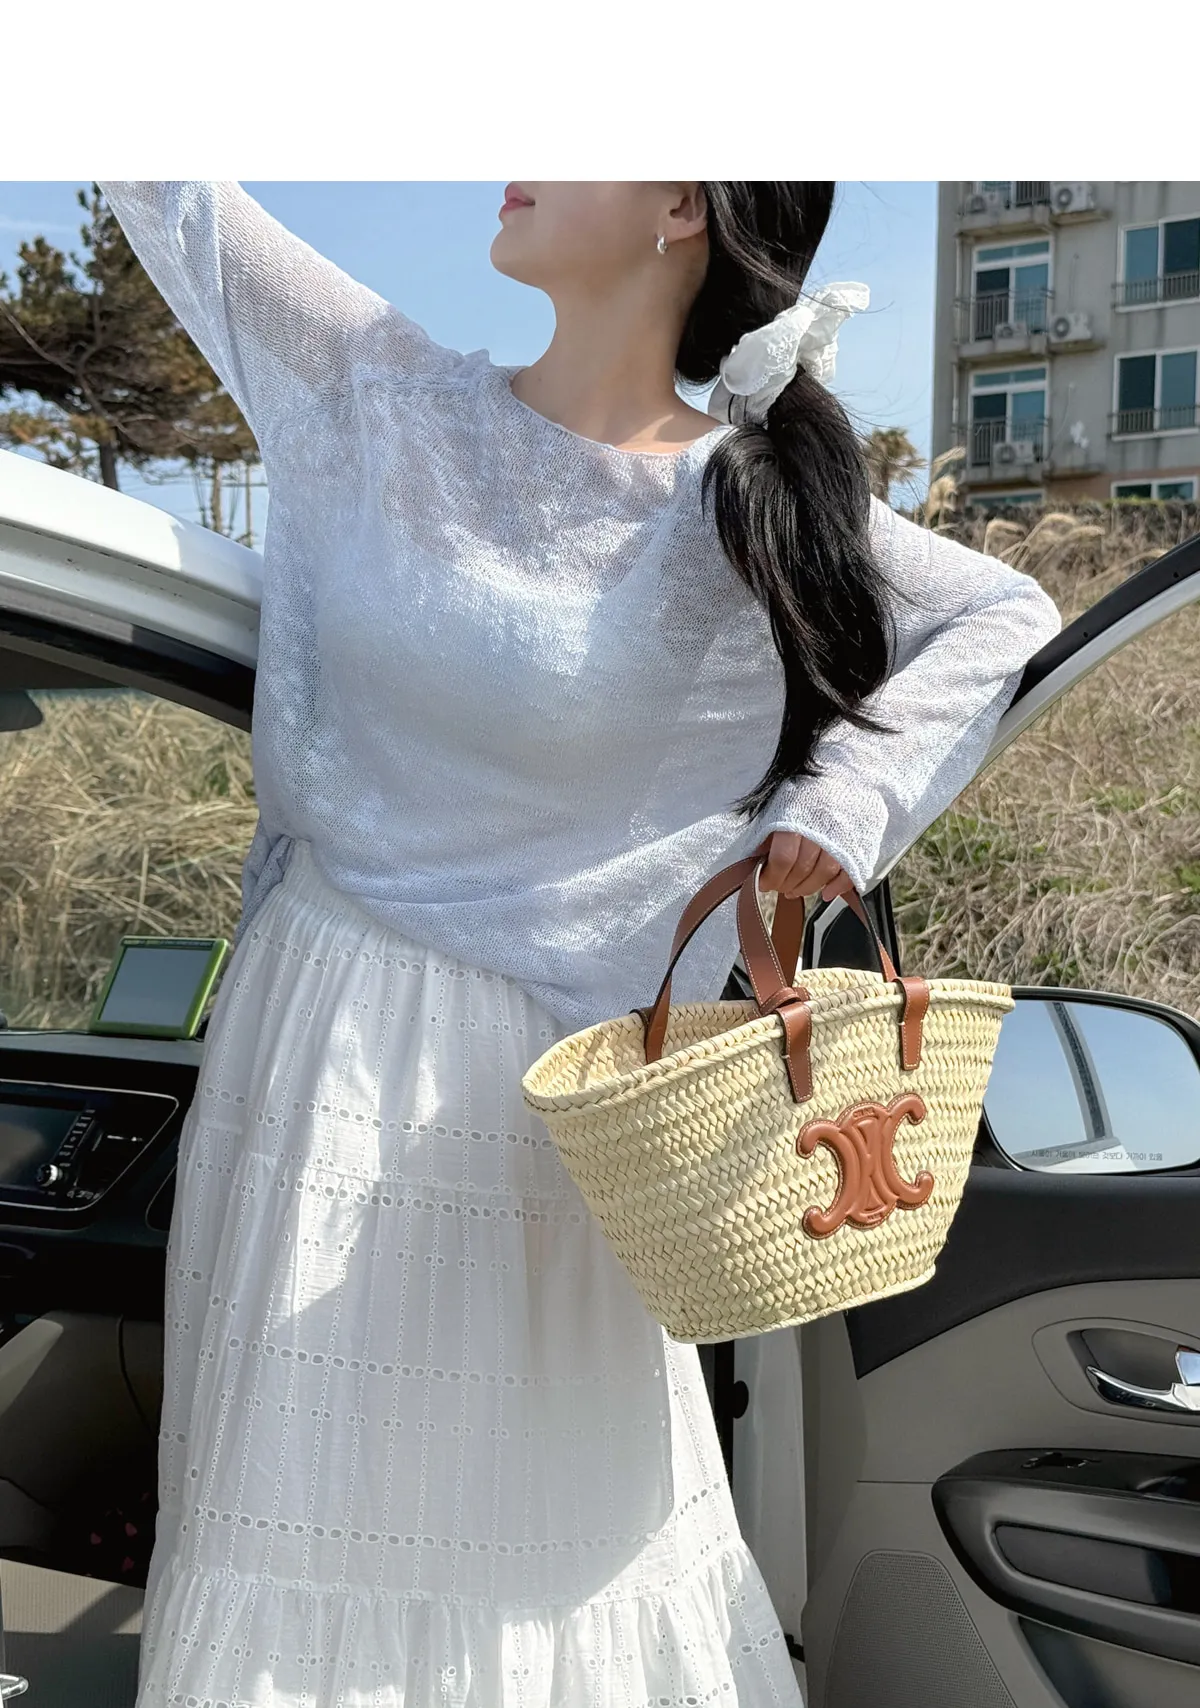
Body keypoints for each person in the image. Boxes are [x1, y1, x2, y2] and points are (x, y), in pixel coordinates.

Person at [98, 179, 1060, 1707]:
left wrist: (840, 809)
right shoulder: (382, 386)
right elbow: (165, 183)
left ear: (683, 201)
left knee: (553, 1570)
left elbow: (1000, 616)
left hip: (561, 1110)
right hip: (322, 1058)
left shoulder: (741, 499)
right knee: (296, 1536)